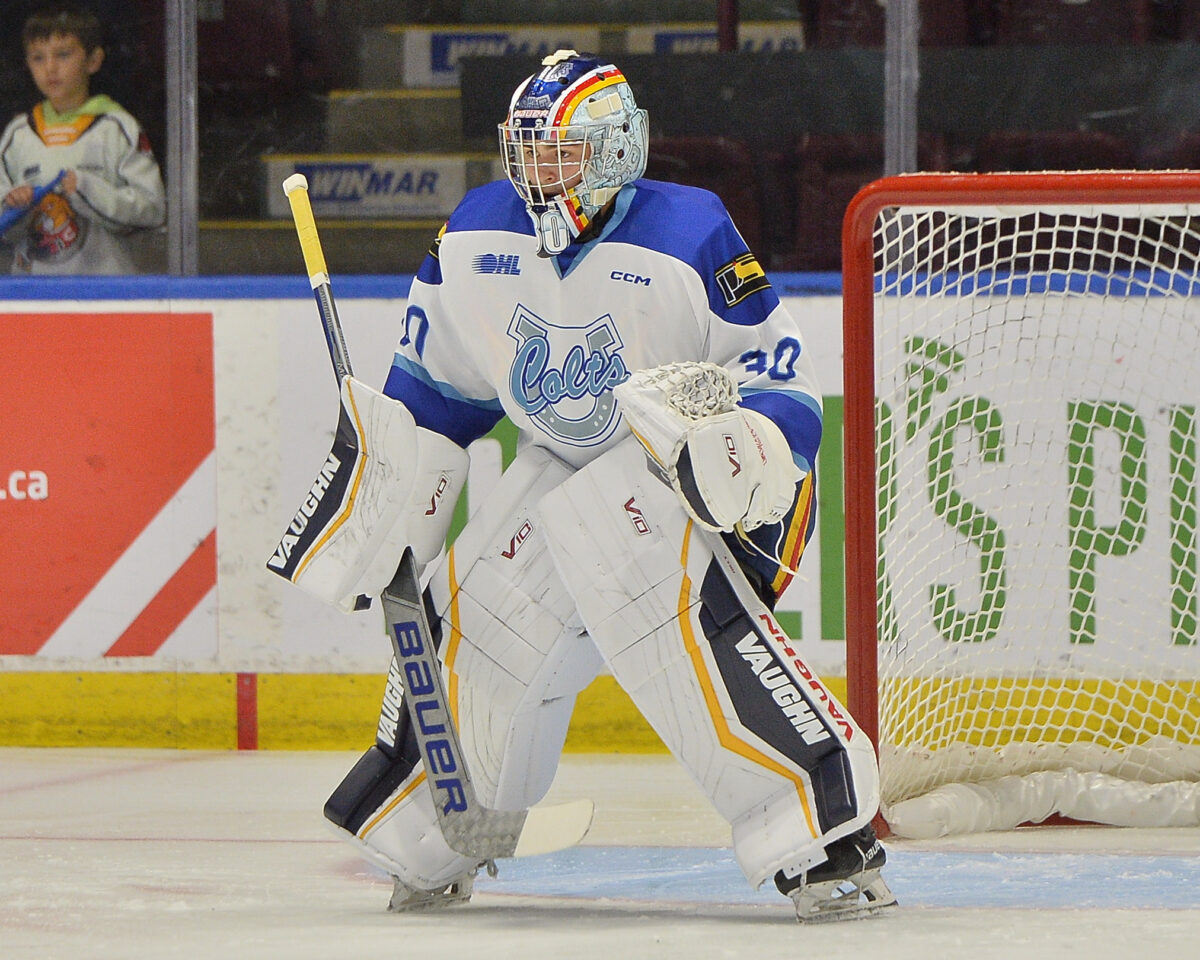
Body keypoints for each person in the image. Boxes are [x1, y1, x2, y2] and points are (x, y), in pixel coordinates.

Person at [272, 50, 895, 923]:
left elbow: (779, 382)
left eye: (559, 152)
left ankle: (820, 823)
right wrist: (392, 494)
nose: (538, 172)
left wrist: (742, 452)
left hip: (715, 490)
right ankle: (443, 821)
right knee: (480, 608)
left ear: (613, 151)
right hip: (566, 463)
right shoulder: (478, 235)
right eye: (527, 150)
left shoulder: (689, 231)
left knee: (629, 549)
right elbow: (435, 392)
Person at [0, 3, 165, 274]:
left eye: (63, 55)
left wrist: (88, 189)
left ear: (93, 60)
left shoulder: (116, 127)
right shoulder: (18, 134)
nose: (50, 67)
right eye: (38, 58)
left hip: (105, 294)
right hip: (31, 296)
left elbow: (152, 210)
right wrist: (12, 204)